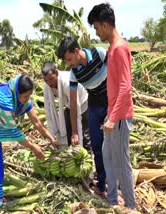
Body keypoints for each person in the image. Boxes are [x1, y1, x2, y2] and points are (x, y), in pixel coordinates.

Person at [0, 75, 57, 210]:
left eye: (29, 96)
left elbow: (37, 122)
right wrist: (33, 147)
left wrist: (52, 139)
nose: (27, 100)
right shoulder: (6, 103)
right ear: (16, 93)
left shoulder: (22, 98)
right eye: (25, 97)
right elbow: (14, 133)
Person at [88, 3, 136, 209]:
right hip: (113, 114)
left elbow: (126, 87)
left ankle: (131, 207)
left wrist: (113, 117)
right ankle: (114, 201)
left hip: (120, 116)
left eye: (97, 28)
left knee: (121, 163)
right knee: (108, 156)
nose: (97, 33)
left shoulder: (119, 48)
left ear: (105, 25)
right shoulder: (113, 49)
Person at [57, 37, 108, 196]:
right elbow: (72, 103)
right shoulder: (74, 74)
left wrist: (114, 110)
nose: (68, 64)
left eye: (69, 59)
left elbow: (118, 73)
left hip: (110, 102)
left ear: (77, 51)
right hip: (93, 106)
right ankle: (101, 183)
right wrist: (74, 133)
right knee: (97, 146)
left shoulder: (99, 53)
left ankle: (117, 182)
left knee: (113, 146)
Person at [41, 61, 90, 150]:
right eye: (46, 80)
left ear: (56, 73)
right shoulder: (47, 85)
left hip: (83, 103)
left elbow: (75, 105)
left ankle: (86, 156)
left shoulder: (67, 82)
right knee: (67, 132)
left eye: (51, 79)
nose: (49, 83)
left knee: (83, 134)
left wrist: (75, 132)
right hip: (68, 105)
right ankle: (70, 155)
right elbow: (48, 108)